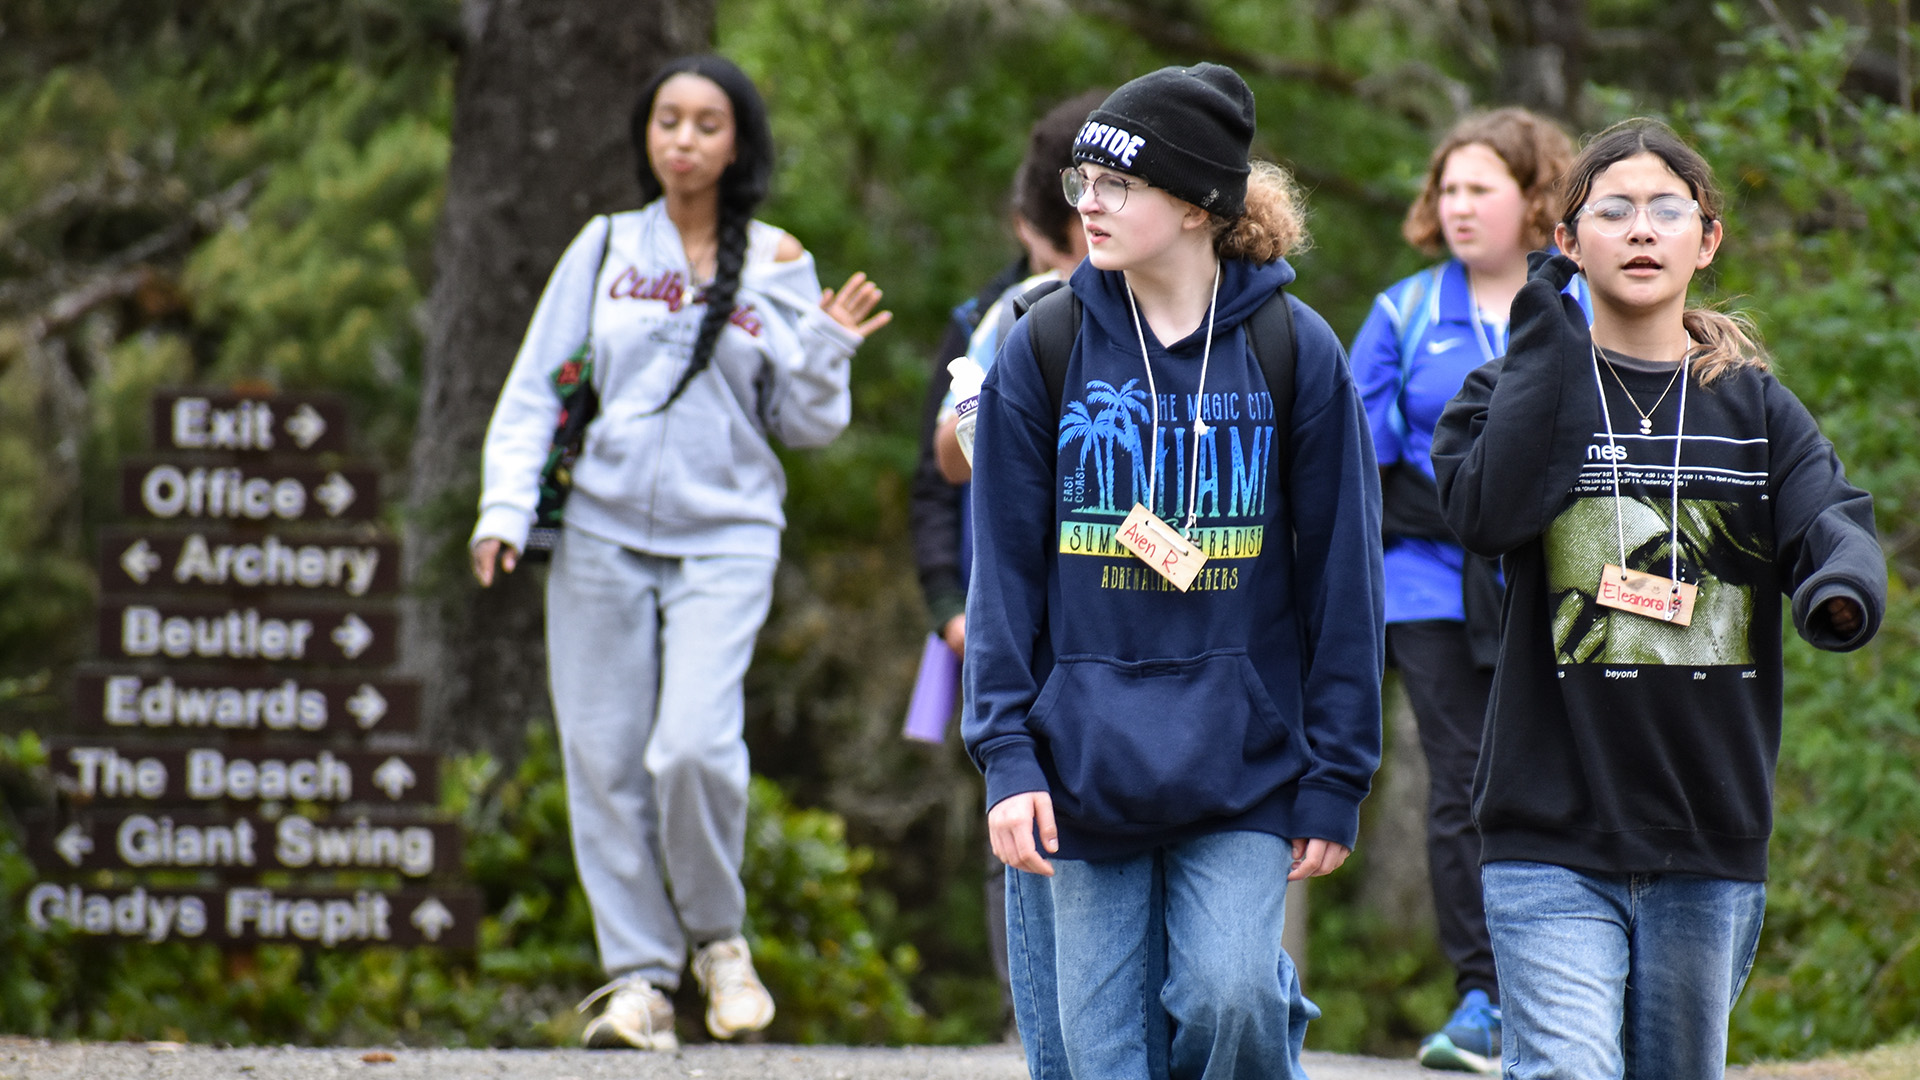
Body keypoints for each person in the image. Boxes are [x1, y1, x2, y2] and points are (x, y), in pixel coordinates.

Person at [1431, 118, 1884, 1079]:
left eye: (1666, 210)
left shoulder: (1755, 407)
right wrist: (1543, 348)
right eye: (1615, 211)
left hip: (1705, 829)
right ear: (1567, 241)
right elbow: (1485, 511)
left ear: (1706, 240)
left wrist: (1838, 589)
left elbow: (1828, 517)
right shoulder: (1508, 387)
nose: (1642, 230)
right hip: (1546, 827)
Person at [964, 63, 1384, 1079]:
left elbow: (1343, 581)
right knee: (1102, 1063)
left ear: (1199, 205)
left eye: (1119, 184)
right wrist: (1007, 756)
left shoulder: (1296, 349)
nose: (1089, 206)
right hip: (1078, 768)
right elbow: (1004, 576)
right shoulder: (1046, 344)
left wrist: (1338, 773)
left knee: (1233, 999)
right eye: (1082, 183)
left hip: (1244, 766)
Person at [468, 54, 890, 1050]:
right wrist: (503, 511)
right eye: (668, 121)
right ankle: (639, 984)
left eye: (707, 123)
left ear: (738, 140)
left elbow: (807, 424)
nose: (684, 139)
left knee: (692, 748)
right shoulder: (607, 247)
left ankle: (718, 943)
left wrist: (826, 347)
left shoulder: (780, 259)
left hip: (728, 534)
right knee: (604, 759)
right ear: (647, 136)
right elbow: (537, 390)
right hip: (602, 534)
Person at [1350, 107, 1581, 1074]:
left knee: (1564, 782)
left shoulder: (1585, 303)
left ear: (1536, 198)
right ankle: (1482, 999)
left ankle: (1568, 999)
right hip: (1429, 587)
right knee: (1464, 784)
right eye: (1447, 189)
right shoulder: (1403, 313)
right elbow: (1354, 465)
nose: (1457, 206)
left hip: (1563, 592)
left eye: (1479, 187)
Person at [904, 89, 1102, 1037]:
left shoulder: (1200, 306)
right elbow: (940, 465)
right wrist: (951, 601)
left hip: (1131, 599)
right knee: (1013, 788)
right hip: (1012, 597)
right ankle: (1037, 1019)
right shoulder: (1002, 311)